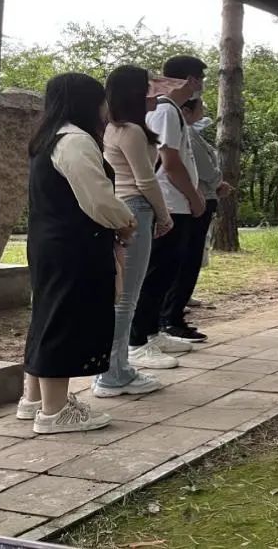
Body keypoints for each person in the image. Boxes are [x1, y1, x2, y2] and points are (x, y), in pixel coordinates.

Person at [20, 73, 137, 434]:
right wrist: (125, 221)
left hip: (49, 242)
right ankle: (55, 412)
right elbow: (97, 198)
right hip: (74, 245)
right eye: (102, 100)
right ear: (88, 102)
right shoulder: (76, 141)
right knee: (64, 321)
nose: (106, 108)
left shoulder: (48, 138)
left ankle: (34, 399)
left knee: (47, 316)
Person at [93, 67, 182, 398]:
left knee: (121, 295)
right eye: (147, 87)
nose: (155, 93)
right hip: (136, 208)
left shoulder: (113, 128)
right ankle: (113, 374)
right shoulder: (129, 131)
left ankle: (113, 368)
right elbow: (145, 180)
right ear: (134, 93)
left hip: (125, 208)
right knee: (126, 297)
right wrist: (164, 215)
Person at [133, 55, 206, 352]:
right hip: (171, 202)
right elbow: (170, 161)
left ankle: (152, 332)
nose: (201, 86)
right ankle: (138, 339)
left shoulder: (170, 110)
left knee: (166, 272)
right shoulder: (165, 110)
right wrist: (194, 196)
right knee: (156, 272)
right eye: (200, 79)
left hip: (176, 202)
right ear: (190, 80)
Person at [162, 96, 231, 328]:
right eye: (200, 106)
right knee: (187, 260)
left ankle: (173, 314)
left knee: (190, 258)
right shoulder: (188, 134)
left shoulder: (191, 133)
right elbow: (204, 169)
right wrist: (217, 182)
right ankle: (171, 316)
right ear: (186, 110)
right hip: (197, 199)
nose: (204, 111)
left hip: (202, 196)